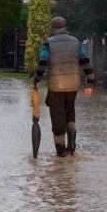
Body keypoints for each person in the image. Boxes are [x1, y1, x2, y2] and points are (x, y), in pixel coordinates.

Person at [32, 16, 94, 157]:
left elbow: (43, 62)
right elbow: (85, 61)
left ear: (52, 28)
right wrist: (90, 81)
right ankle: (71, 144)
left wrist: (36, 78)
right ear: (65, 27)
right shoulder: (76, 42)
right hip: (73, 84)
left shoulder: (48, 43)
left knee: (57, 115)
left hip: (56, 86)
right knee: (70, 110)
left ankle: (60, 153)